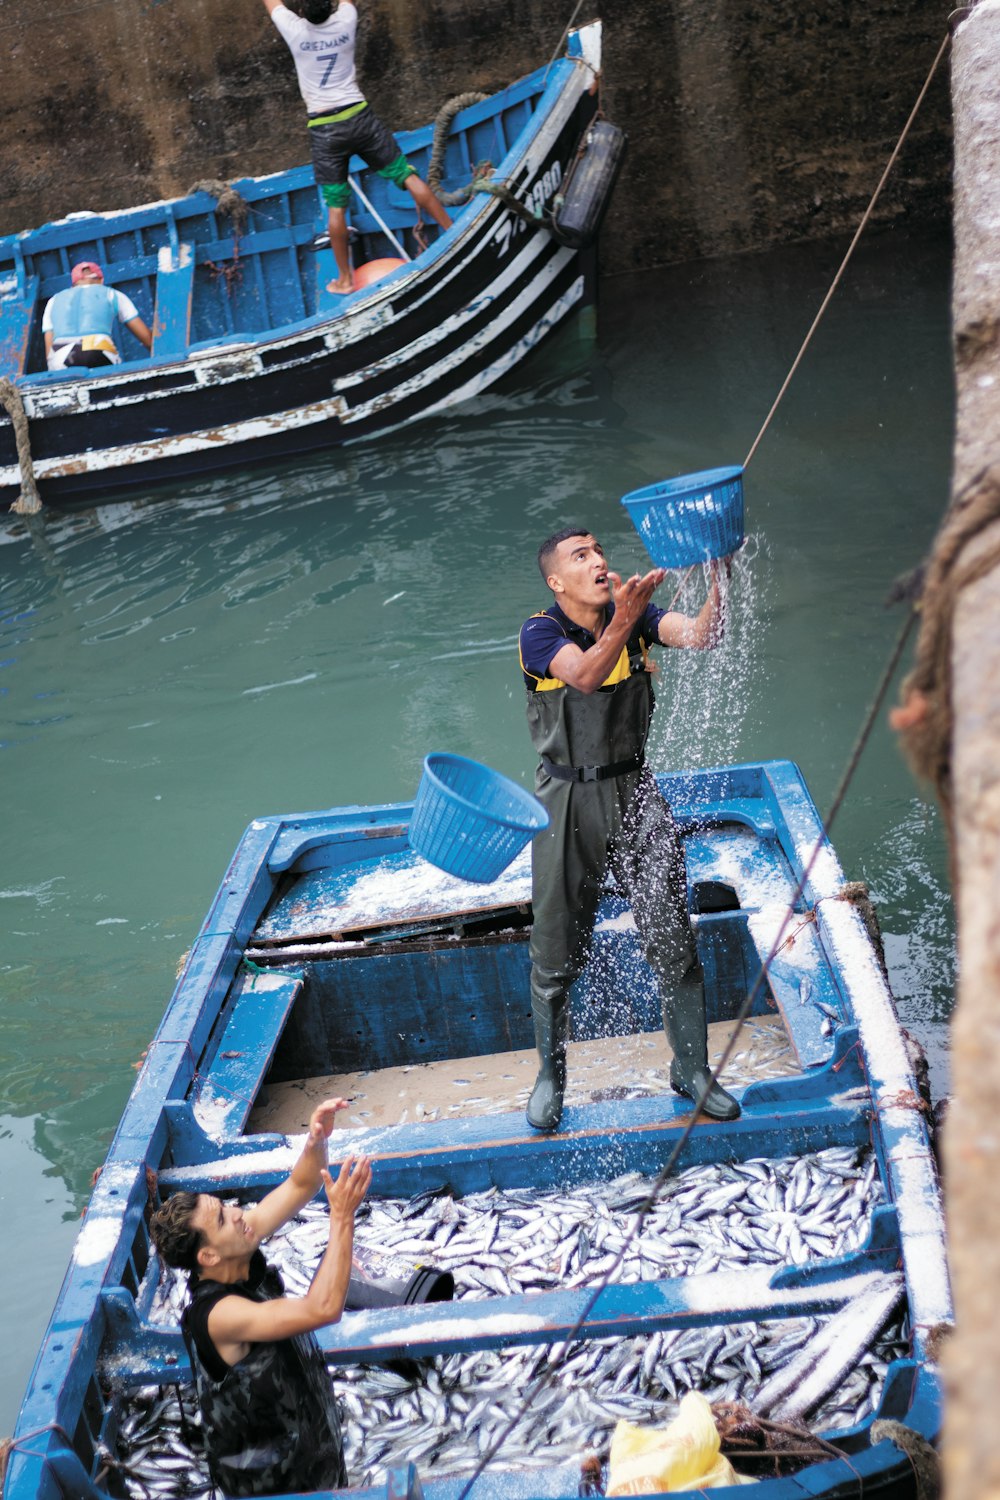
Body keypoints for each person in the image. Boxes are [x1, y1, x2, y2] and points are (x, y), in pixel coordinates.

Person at [518, 528, 741, 1132]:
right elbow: (585, 676)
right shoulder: (541, 633)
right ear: (556, 581)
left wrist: (716, 572)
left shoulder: (636, 620)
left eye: (598, 551)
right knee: (556, 945)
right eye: (580, 556)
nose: (598, 562)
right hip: (566, 799)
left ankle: (691, 1068)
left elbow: (702, 634)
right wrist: (628, 617)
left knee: (672, 931)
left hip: (636, 790)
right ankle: (549, 1076)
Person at [149, 1098, 371, 1497]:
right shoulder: (220, 1316)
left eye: (225, 1206)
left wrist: (316, 1138)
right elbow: (323, 1308)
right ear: (208, 1256)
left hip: (311, 1453)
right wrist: (341, 1217)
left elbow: (300, 1185)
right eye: (222, 1219)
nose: (238, 1213)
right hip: (271, 1487)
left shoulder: (237, 1245)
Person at [260, 0, 453, 294]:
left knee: (336, 207)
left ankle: (346, 280)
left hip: (325, 129)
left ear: (301, 13)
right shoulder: (346, 19)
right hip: (360, 118)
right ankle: (451, 233)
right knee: (408, 176)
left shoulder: (295, 31)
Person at [42, 261, 152, 371]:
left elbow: (49, 348)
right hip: (98, 351)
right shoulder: (113, 294)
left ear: (73, 284)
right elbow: (147, 338)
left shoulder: (54, 300)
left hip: (61, 356)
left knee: (56, 363)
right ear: (101, 280)